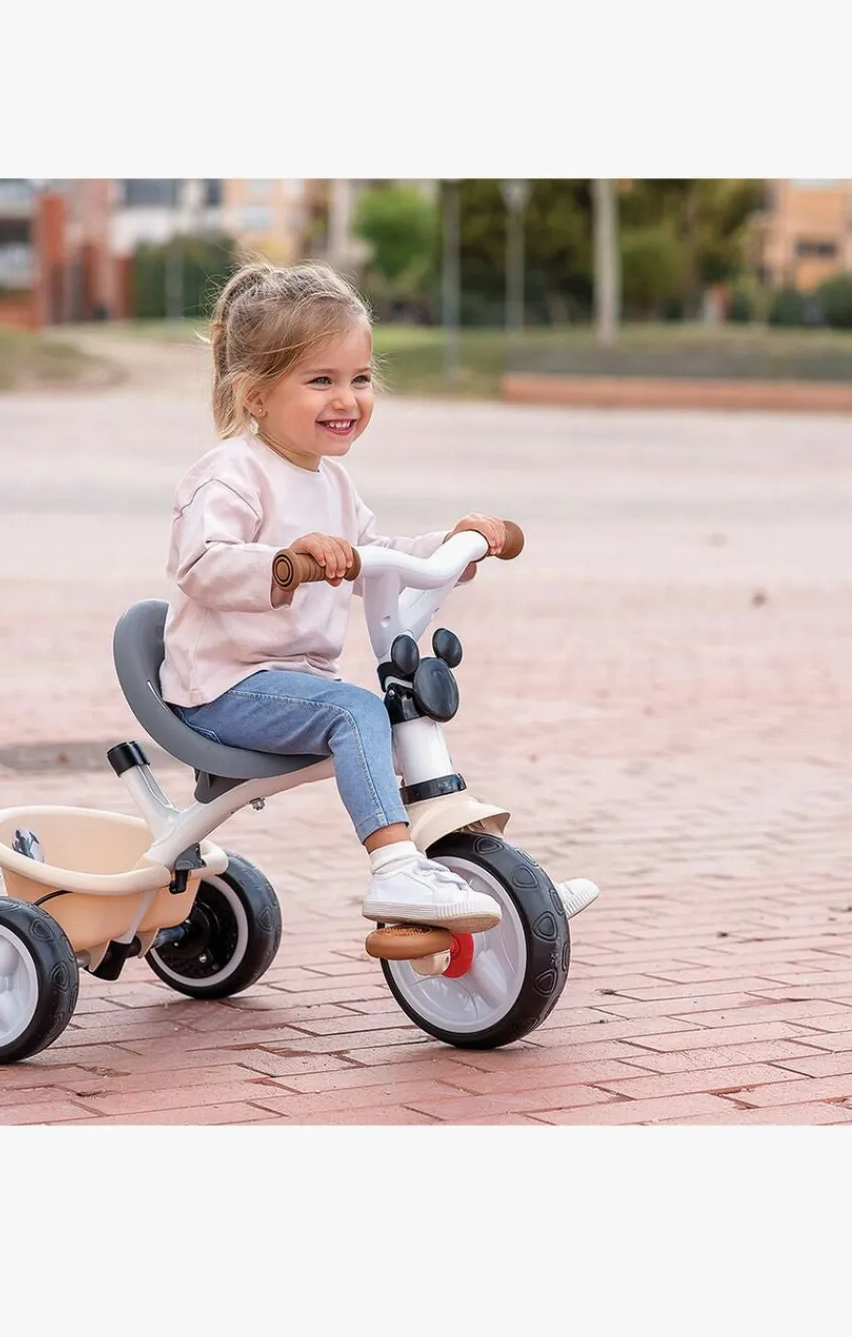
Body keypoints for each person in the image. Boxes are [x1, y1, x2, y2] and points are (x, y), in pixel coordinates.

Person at [161, 260, 599, 938]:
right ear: (255, 395)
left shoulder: (332, 484)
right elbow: (202, 565)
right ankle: (396, 868)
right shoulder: (229, 475)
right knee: (358, 711)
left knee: (406, 721)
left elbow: (376, 556)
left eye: (360, 379)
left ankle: (501, 881)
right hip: (223, 688)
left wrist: (453, 547)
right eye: (321, 381)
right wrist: (287, 563)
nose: (347, 399)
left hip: (293, 686)